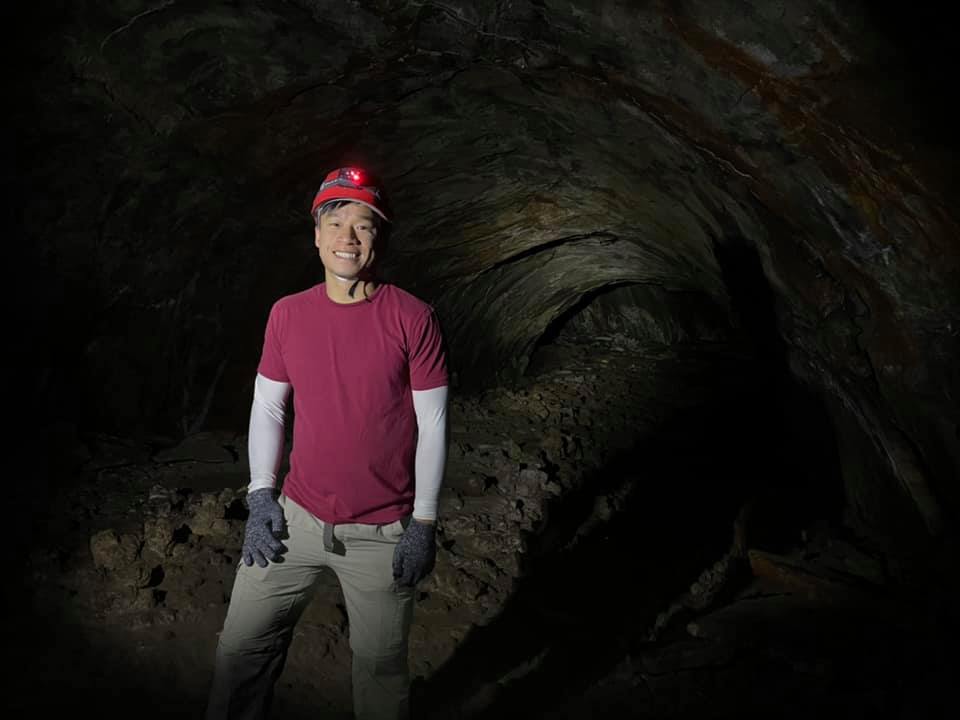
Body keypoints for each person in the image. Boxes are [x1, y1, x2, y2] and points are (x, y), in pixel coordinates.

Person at [205, 166, 450, 720]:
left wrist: (424, 523)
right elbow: (269, 405)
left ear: (378, 238)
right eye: (335, 223)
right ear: (316, 236)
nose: (348, 238)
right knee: (240, 649)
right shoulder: (287, 313)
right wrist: (262, 495)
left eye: (363, 226)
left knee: (380, 669)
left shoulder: (414, 318)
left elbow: (433, 422)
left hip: (383, 531)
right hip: (295, 518)